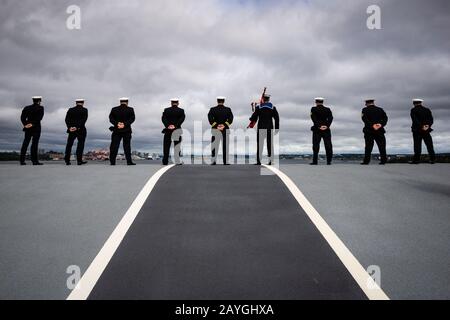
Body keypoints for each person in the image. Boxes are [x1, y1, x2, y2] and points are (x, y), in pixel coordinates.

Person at [249, 93, 279, 165]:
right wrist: (277, 128)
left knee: (260, 144)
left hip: (261, 128)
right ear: (268, 99)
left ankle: (258, 161)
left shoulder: (259, 107)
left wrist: (252, 114)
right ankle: (271, 161)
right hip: (270, 128)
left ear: (263, 99)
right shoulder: (273, 107)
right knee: (270, 144)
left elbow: (254, 118)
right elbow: (277, 118)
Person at [109, 97, 136, 166]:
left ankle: (112, 162)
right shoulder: (130, 109)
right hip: (127, 130)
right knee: (127, 146)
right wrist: (124, 124)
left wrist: (117, 124)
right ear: (127, 102)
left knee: (114, 146)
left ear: (120, 102)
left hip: (116, 130)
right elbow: (132, 119)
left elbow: (111, 119)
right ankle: (129, 162)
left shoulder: (114, 109)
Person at [361, 99, 388, 165]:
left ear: (367, 103)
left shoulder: (364, 110)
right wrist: (380, 124)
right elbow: (385, 118)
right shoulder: (380, 109)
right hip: (379, 130)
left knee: (368, 147)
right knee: (382, 146)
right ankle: (383, 161)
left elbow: (364, 119)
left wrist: (372, 125)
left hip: (368, 131)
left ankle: (366, 161)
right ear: (373, 102)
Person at [208, 97, 234, 165]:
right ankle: (225, 162)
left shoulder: (212, 109)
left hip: (215, 129)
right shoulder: (228, 109)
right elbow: (231, 119)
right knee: (225, 146)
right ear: (224, 101)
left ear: (217, 101)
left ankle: (213, 161)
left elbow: (210, 119)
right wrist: (224, 125)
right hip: (225, 130)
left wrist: (217, 126)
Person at [20, 96, 44, 165]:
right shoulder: (41, 108)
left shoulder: (27, 107)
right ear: (39, 101)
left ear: (33, 100)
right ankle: (34, 161)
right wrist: (32, 124)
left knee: (25, 143)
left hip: (28, 128)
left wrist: (25, 124)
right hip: (36, 128)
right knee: (34, 144)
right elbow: (40, 118)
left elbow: (22, 117)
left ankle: (22, 161)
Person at [410, 99, 435, 164]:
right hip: (426, 130)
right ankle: (432, 159)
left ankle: (416, 160)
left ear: (414, 103)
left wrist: (421, 126)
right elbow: (431, 119)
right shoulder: (427, 110)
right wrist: (427, 126)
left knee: (417, 145)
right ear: (421, 103)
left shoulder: (413, 110)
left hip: (417, 130)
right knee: (429, 145)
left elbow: (415, 120)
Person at [162, 98, 185, 165]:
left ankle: (165, 161)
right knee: (177, 146)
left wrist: (168, 125)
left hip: (168, 130)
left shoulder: (166, 110)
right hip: (177, 130)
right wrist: (175, 125)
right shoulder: (181, 111)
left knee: (166, 146)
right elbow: (182, 119)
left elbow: (163, 118)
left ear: (171, 103)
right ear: (178, 103)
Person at [64, 99, 88, 166]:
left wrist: (69, 127)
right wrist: (77, 127)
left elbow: (66, 119)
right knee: (80, 145)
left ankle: (67, 161)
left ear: (76, 103)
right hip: (81, 130)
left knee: (69, 145)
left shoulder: (71, 110)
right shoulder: (85, 110)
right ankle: (79, 161)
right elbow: (84, 120)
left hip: (71, 130)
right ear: (83, 103)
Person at [310, 97, 333, 165]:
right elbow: (331, 118)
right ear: (322, 102)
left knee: (315, 146)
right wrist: (327, 126)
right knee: (328, 145)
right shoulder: (327, 109)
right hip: (326, 130)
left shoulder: (313, 109)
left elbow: (313, 118)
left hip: (317, 130)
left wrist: (319, 126)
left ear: (316, 102)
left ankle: (315, 161)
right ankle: (329, 161)